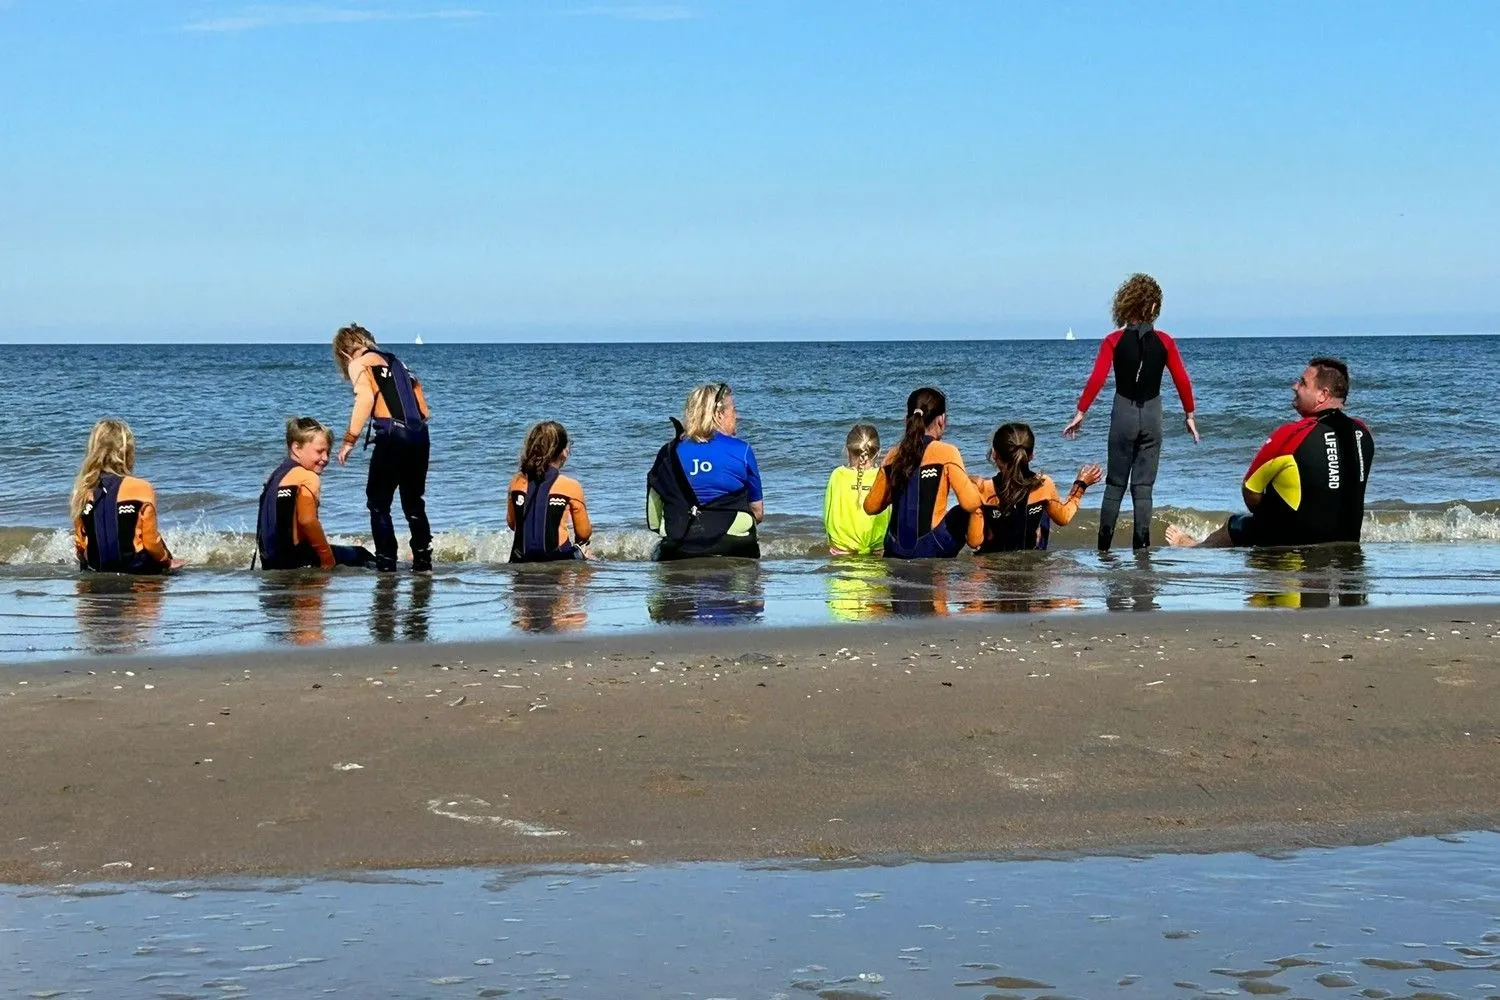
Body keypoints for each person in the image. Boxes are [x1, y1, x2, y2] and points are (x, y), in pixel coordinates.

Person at [1166, 357, 1375, 548]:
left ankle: (1192, 547)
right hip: (1347, 545)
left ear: (1323, 395)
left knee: (1234, 524)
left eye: (1303, 383)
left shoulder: (1291, 435)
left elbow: (1249, 489)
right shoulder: (1362, 433)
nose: (1295, 386)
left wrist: (1268, 517)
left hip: (1293, 549)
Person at [1062, 273, 1199, 551]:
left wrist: (1081, 412)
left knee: (1115, 484)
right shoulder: (1165, 341)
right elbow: (1182, 379)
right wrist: (1189, 415)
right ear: (1153, 308)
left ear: (1125, 305)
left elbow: (1097, 378)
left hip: (1123, 414)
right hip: (1152, 415)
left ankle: (1103, 550)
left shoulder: (1112, 341)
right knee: (1143, 487)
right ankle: (1142, 550)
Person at [332, 323, 433, 573]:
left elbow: (365, 399)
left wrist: (349, 440)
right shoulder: (397, 362)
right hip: (420, 435)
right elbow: (421, 402)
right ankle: (423, 561)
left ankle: (386, 562)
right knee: (413, 503)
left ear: (345, 353)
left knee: (378, 503)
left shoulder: (360, 363)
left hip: (392, 436)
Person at [646, 382, 763, 560]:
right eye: (734, 410)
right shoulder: (743, 450)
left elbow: (653, 519)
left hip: (680, 544)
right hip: (734, 542)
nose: (737, 416)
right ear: (718, 414)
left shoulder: (667, 452)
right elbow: (758, 512)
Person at [862, 387, 982, 559]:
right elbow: (970, 503)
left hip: (894, 549)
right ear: (941, 420)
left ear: (907, 421)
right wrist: (979, 486)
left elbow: (871, 506)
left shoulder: (893, 455)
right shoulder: (947, 452)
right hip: (932, 548)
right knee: (961, 512)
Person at [256, 417, 376, 570]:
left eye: (328, 451)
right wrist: (327, 557)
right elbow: (307, 521)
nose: (325, 458)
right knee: (362, 554)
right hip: (298, 559)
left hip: (271, 561)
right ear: (296, 448)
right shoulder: (308, 477)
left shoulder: (274, 477)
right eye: (319, 451)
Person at [968, 422, 1104, 553]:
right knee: (1043, 511)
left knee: (968, 511)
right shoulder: (1043, 484)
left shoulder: (983, 488)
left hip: (994, 570)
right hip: (1031, 568)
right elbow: (1063, 518)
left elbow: (974, 542)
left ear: (994, 454)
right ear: (1032, 455)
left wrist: (973, 501)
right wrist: (1080, 486)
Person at [71, 418, 181, 574]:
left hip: (98, 574)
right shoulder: (142, 488)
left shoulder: (82, 492)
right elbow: (151, 543)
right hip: (139, 574)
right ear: (127, 452)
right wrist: (167, 560)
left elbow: (81, 546)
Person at [507, 420, 593, 562]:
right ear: (564, 452)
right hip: (559, 559)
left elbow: (512, 524)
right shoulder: (571, 486)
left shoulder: (516, 482)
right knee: (587, 553)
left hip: (519, 558)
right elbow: (583, 534)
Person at [823, 423, 890, 555]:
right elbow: (890, 515)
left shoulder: (837, 475)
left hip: (842, 552)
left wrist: (832, 542)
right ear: (878, 452)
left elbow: (828, 515)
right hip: (877, 553)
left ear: (847, 450)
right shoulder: (884, 476)